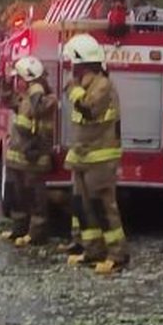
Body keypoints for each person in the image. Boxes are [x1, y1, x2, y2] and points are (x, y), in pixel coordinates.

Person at [60, 34, 127, 275]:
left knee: (103, 206)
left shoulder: (102, 84)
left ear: (84, 63)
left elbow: (89, 109)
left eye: (74, 63)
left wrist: (73, 91)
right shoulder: (85, 85)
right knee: (83, 206)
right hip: (84, 156)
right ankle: (93, 250)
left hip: (100, 158)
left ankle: (117, 255)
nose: (71, 68)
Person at [0, 56, 57, 247]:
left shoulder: (47, 100)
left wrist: (36, 89)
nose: (19, 83)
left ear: (31, 80)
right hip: (18, 159)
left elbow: (39, 109)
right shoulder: (24, 98)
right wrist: (6, 83)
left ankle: (36, 234)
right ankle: (19, 230)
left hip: (34, 159)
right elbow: (7, 100)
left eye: (21, 79)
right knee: (18, 198)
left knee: (35, 199)